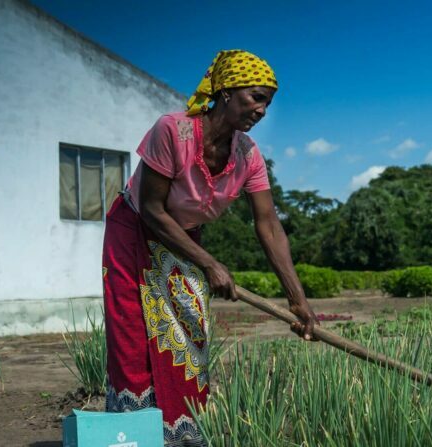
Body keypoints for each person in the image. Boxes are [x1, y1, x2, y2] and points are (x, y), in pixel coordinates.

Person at [102, 49, 319, 446]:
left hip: (184, 239)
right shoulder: (173, 130)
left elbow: (268, 225)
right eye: (255, 97)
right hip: (134, 230)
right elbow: (152, 209)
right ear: (225, 91)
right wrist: (211, 264)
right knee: (133, 336)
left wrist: (297, 299)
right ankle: (133, 437)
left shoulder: (248, 156)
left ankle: (181, 437)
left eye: (268, 103)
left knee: (186, 335)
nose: (262, 110)